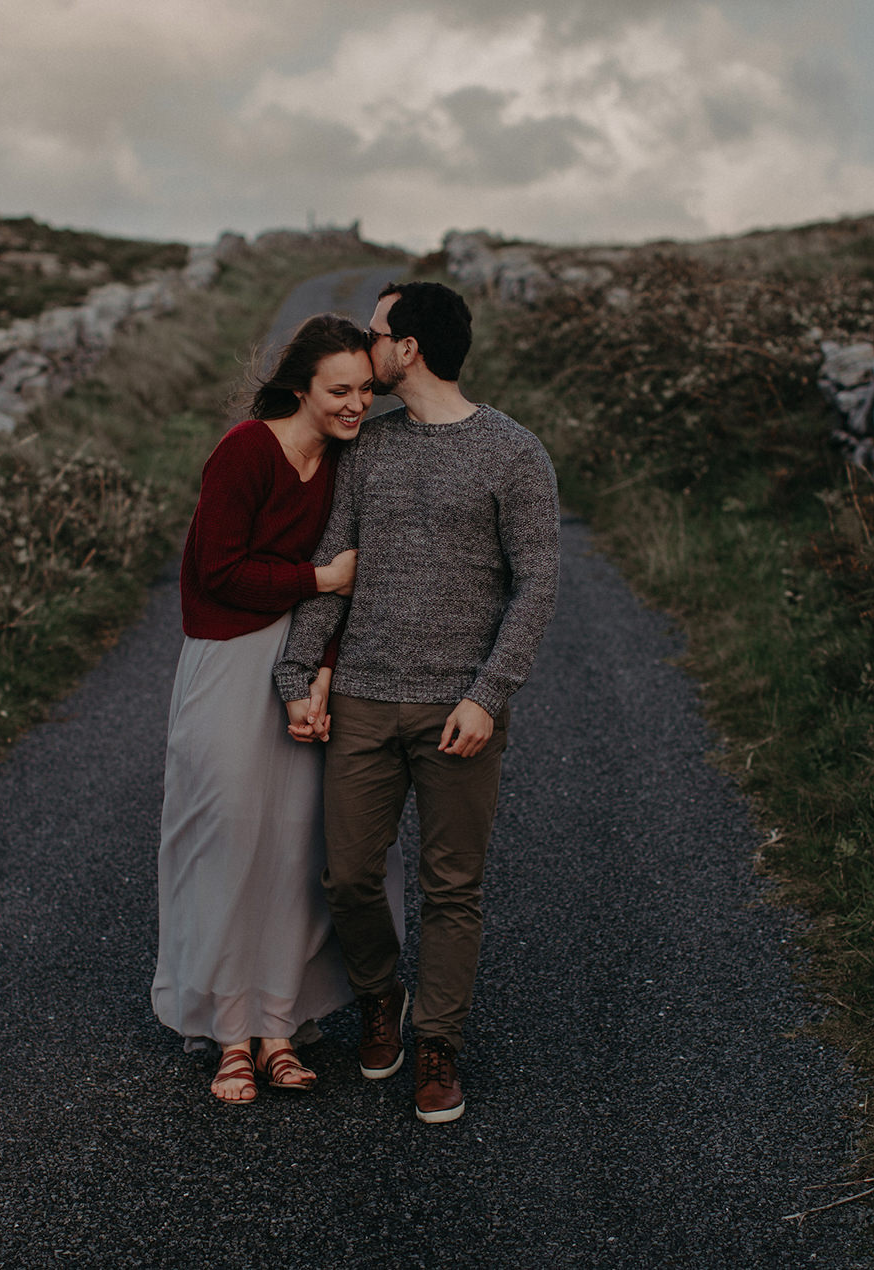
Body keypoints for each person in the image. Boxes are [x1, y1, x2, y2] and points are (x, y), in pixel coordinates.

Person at [274, 281, 560, 1124]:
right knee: (349, 876)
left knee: (451, 887)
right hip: (363, 696)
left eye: (376, 334)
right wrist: (299, 674)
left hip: (458, 711)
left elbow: (538, 582)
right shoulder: (368, 448)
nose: (366, 349)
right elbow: (337, 563)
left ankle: (438, 1044)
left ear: (410, 348)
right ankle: (377, 996)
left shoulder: (514, 453)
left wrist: (488, 694)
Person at [150, 313, 386, 1104]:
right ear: (300, 386)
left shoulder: (349, 462)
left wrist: (318, 672)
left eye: (364, 389)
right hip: (228, 656)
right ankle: (226, 1033)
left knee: (294, 844)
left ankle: (280, 1026)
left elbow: (353, 588)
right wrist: (316, 582)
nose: (357, 404)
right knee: (227, 833)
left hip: (306, 664)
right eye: (339, 390)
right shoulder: (246, 451)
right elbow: (218, 570)